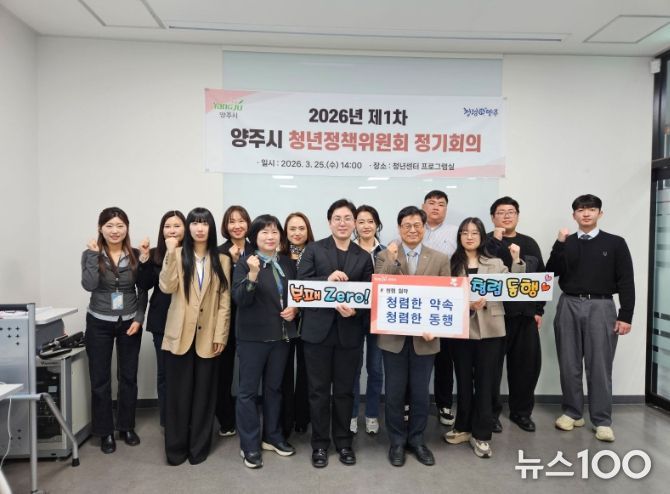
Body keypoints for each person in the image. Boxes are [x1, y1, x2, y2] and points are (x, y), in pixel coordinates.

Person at [546, 194, 634, 442]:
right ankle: (572, 412)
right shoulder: (567, 242)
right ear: (574, 215)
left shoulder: (615, 243)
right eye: (581, 210)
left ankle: (602, 420)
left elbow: (626, 280)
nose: (586, 213)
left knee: (599, 365)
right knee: (569, 362)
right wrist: (559, 243)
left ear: (600, 214)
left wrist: (626, 315)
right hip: (569, 303)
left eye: (591, 209)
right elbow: (550, 272)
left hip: (602, 306)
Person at [297, 198, 374, 468]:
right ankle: (319, 444)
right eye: (337, 218)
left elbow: (369, 296)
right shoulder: (314, 249)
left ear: (354, 223)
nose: (342, 223)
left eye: (347, 218)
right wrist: (326, 280)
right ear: (329, 222)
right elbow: (301, 285)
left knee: (344, 392)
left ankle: (343, 442)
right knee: (318, 392)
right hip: (317, 333)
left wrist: (355, 311)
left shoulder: (363, 257)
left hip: (349, 333)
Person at [375, 206, 450, 467]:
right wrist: (392, 257)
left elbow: (447, 299)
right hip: (393, 338)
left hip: (426, 339)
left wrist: (438, 329)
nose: (412, 230)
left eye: (417, 225)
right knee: (394, 393)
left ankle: (417, 440)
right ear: (399, 228)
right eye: (406, 225)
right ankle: (396, 441)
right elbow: (381, 286)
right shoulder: (384, 255)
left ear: (424, 228)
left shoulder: (440, 259)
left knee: (420, 393)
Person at [445, 217, 524, 459]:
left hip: (491, 329)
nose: (469, 237)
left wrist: (516, 260)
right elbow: (444, 295)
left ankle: (482, 434)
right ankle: (463, 427)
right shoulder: (451, 263)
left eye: (474, 233)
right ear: (459, 237)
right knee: (463, 381)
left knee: (486, 382)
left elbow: (514, 286)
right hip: (461, 329)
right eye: (464, 232)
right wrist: (467, 304)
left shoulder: (496, 262)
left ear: (482, 236)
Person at [160, 207, 231, 465]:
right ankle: (176, 450)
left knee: (204, 397)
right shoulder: (178, 254)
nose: (200, 228)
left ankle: (198, 449)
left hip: (208, 337)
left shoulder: (222, 260)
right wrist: (170, 252)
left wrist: (221, 334)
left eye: (205, 223)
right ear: (188, 227)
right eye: (194, 223)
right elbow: (167, 286)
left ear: (211, 228)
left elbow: (224, 301)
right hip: (179, 335)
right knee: (178, 396)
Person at [233, 215, 299, 469]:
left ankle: (272, 436)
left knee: (274, 389)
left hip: (281, 337)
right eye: (264, 232)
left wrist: (295, 309)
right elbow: (240, 299)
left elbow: (297, 294)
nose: (270, 237)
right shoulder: (245, 262)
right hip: (252, 338)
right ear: (254, 237)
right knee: (248, 393)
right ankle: (249, 445)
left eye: (274, 232)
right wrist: (252, 275)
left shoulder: (287, 263)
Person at [81, 207, 147, 454]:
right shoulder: (91, 253)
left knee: (128, 377)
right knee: (100, 379)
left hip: (129, 322)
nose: (115, 231)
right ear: (100, 228)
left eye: (120, 225)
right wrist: (92, 255)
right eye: (109, 226)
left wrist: (139, 318)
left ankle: (126, 426)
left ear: (126, 228)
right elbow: (89, 285)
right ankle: (104, 431)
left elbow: (143, 289)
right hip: (99, 322)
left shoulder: (136, 255)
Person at [487, 197, 545, 433]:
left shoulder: (529, 243)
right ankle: (490, 414)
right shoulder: (486, 242)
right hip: (493, 315)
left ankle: (521, 412)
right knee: (490, 369)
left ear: (518, 216)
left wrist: (538, 310)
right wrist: (495, 241)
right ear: (493, 217)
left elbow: (540, 278)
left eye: (511, 212)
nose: (506, 216)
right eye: (501, 212)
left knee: (526, 367)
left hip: (524, 315)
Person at [137, 210, 186, 428]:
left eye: (177, 225)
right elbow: (144, 284)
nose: (172, 230)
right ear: (162, 230)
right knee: (165, 373)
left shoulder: (192, 252)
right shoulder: (155, 254)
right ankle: (167, 421)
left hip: (187, 319)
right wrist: (144, 259)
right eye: (167, 226)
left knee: (184, 373)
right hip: (161, 319)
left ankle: (185, 418)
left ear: (185, 229)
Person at [421, 190, 458, 427]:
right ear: (423, 206)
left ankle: (444, 404)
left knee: (445, 358)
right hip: (416, 302)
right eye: (431, 203)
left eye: (441, 204)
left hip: (444, 302)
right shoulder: (413, 228)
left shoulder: (455, 232)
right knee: (416, 355)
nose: (436, 207)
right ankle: (411, 403)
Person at [215, 205, 252, 438]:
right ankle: (226, 420)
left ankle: (248, 418)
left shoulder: (257, 249)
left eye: (241, 220)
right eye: (232, 221)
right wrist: (233, 262)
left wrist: (242, 262)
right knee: (223, 372)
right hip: (225, 318)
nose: (237, 226)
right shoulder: (217, 252)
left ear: (248, 223)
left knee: (249, 373)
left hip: (251, 318)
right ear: (225, 226)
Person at [350, 205, 385, 435]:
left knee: (375, 369)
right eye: (361, 221)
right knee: (352, 369)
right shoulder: (347, 250)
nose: (365, 226)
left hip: (378, 319)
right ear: (354, 225)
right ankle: (352, 415)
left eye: (370, 221)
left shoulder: (387, 252)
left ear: (377, 225)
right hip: (352, 318)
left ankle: (372, 414)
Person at [280, 212, 315, 437]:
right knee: (283, 371)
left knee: (306, 370)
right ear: (285, 232)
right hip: (283, 320)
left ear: (308, 230)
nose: (297, 233)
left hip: (310, 320)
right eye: (292, 229)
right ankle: (285, 419)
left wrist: (299, 308)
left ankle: (302, 417)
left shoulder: (317, 254)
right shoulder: (278, 256)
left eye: (301, 228)